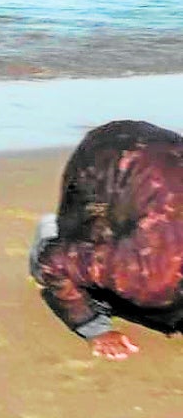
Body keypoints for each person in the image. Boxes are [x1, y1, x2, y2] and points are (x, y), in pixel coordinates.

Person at [30, 120, 183, 360]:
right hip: (102, 159)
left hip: (160, 162)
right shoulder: (151, 275)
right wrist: (94, 328)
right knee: (121, 291)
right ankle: (49, 234)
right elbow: (53, 264)